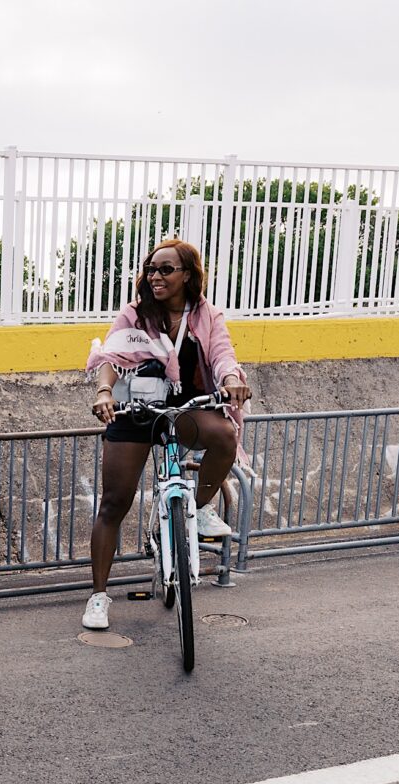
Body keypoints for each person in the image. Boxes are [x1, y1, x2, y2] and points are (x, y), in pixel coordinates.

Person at [82, 238, 253, 630]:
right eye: (150, 269)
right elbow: (111, 357)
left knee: (225, 435)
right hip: (136, 408)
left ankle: (203, 508)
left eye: (165, 269)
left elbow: (223, 355)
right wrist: (104, 391)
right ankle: (98, 597)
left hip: (184, 409)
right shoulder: (136, 313)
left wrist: (231, 380)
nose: (154, 276)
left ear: (188, 275)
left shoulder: (207, 315)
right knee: (114, 504)